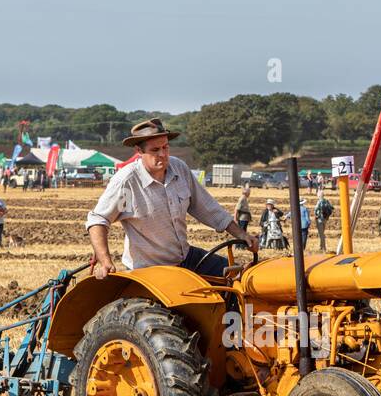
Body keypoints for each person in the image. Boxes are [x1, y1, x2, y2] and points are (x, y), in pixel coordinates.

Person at [87, 119, 256, 278]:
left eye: (166, 147)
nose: (162, 154)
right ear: (139, 151)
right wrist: (105, 261)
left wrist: (242, 234)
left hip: (185, 258)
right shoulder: (128, 183)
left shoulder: (179, 169)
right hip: (150, 268)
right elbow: (99, 220)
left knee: (238, 278)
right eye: (155, 150)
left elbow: (207, 208)